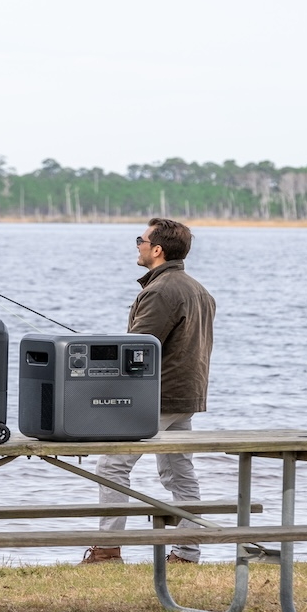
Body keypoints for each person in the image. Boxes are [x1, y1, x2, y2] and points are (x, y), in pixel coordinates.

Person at [82, 218, 216, 565]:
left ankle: (108, 549)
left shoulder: (160, 291)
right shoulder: (198, 289)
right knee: (178, 471)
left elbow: (138, 350)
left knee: (112, 465)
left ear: (157, 250)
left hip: (159, 397)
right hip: (186, 397)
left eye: (140, 240)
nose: (138, 245)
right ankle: (188, 552)